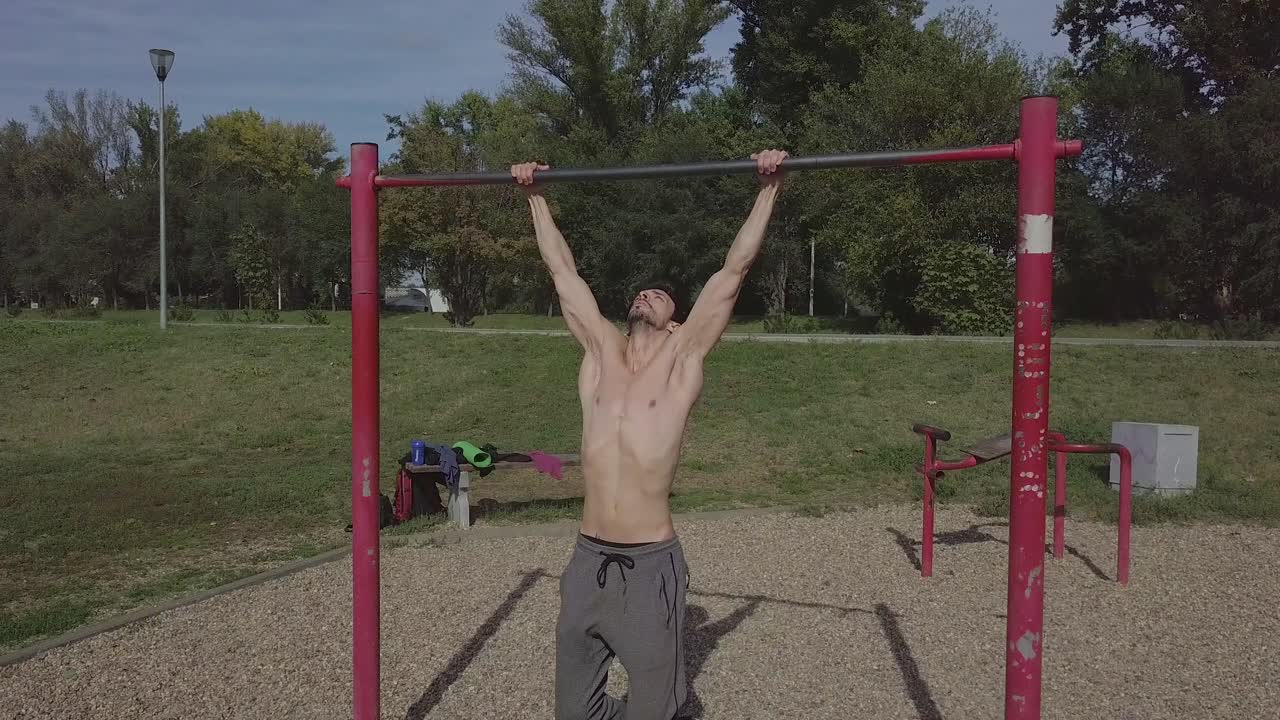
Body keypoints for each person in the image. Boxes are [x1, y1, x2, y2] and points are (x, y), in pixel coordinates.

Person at [511, 149, 788, 720]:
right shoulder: (599, 354)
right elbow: (563, 274)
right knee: (575, 714)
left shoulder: (682, 360)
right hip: (588, 559)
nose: (646, 294)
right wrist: (534, 197)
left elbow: (731, 274)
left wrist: (770, 188)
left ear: (678, 322)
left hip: (648, 564)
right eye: (643, 292)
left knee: (653, 711)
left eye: (660, 295)